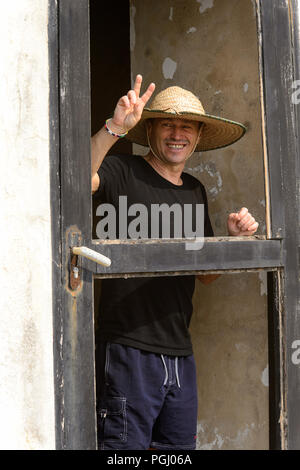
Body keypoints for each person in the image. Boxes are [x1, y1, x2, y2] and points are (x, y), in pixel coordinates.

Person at [91, 75, 259, 450]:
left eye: (186, 126)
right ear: (150, 129)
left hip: (180, 353)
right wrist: (114, 128)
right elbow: (76, 178)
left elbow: (206, 276)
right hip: (129, 347)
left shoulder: (195, 190)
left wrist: (231, 243)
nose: (177, 133)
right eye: (167, 123)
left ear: (198, 136)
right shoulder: (123, 172)